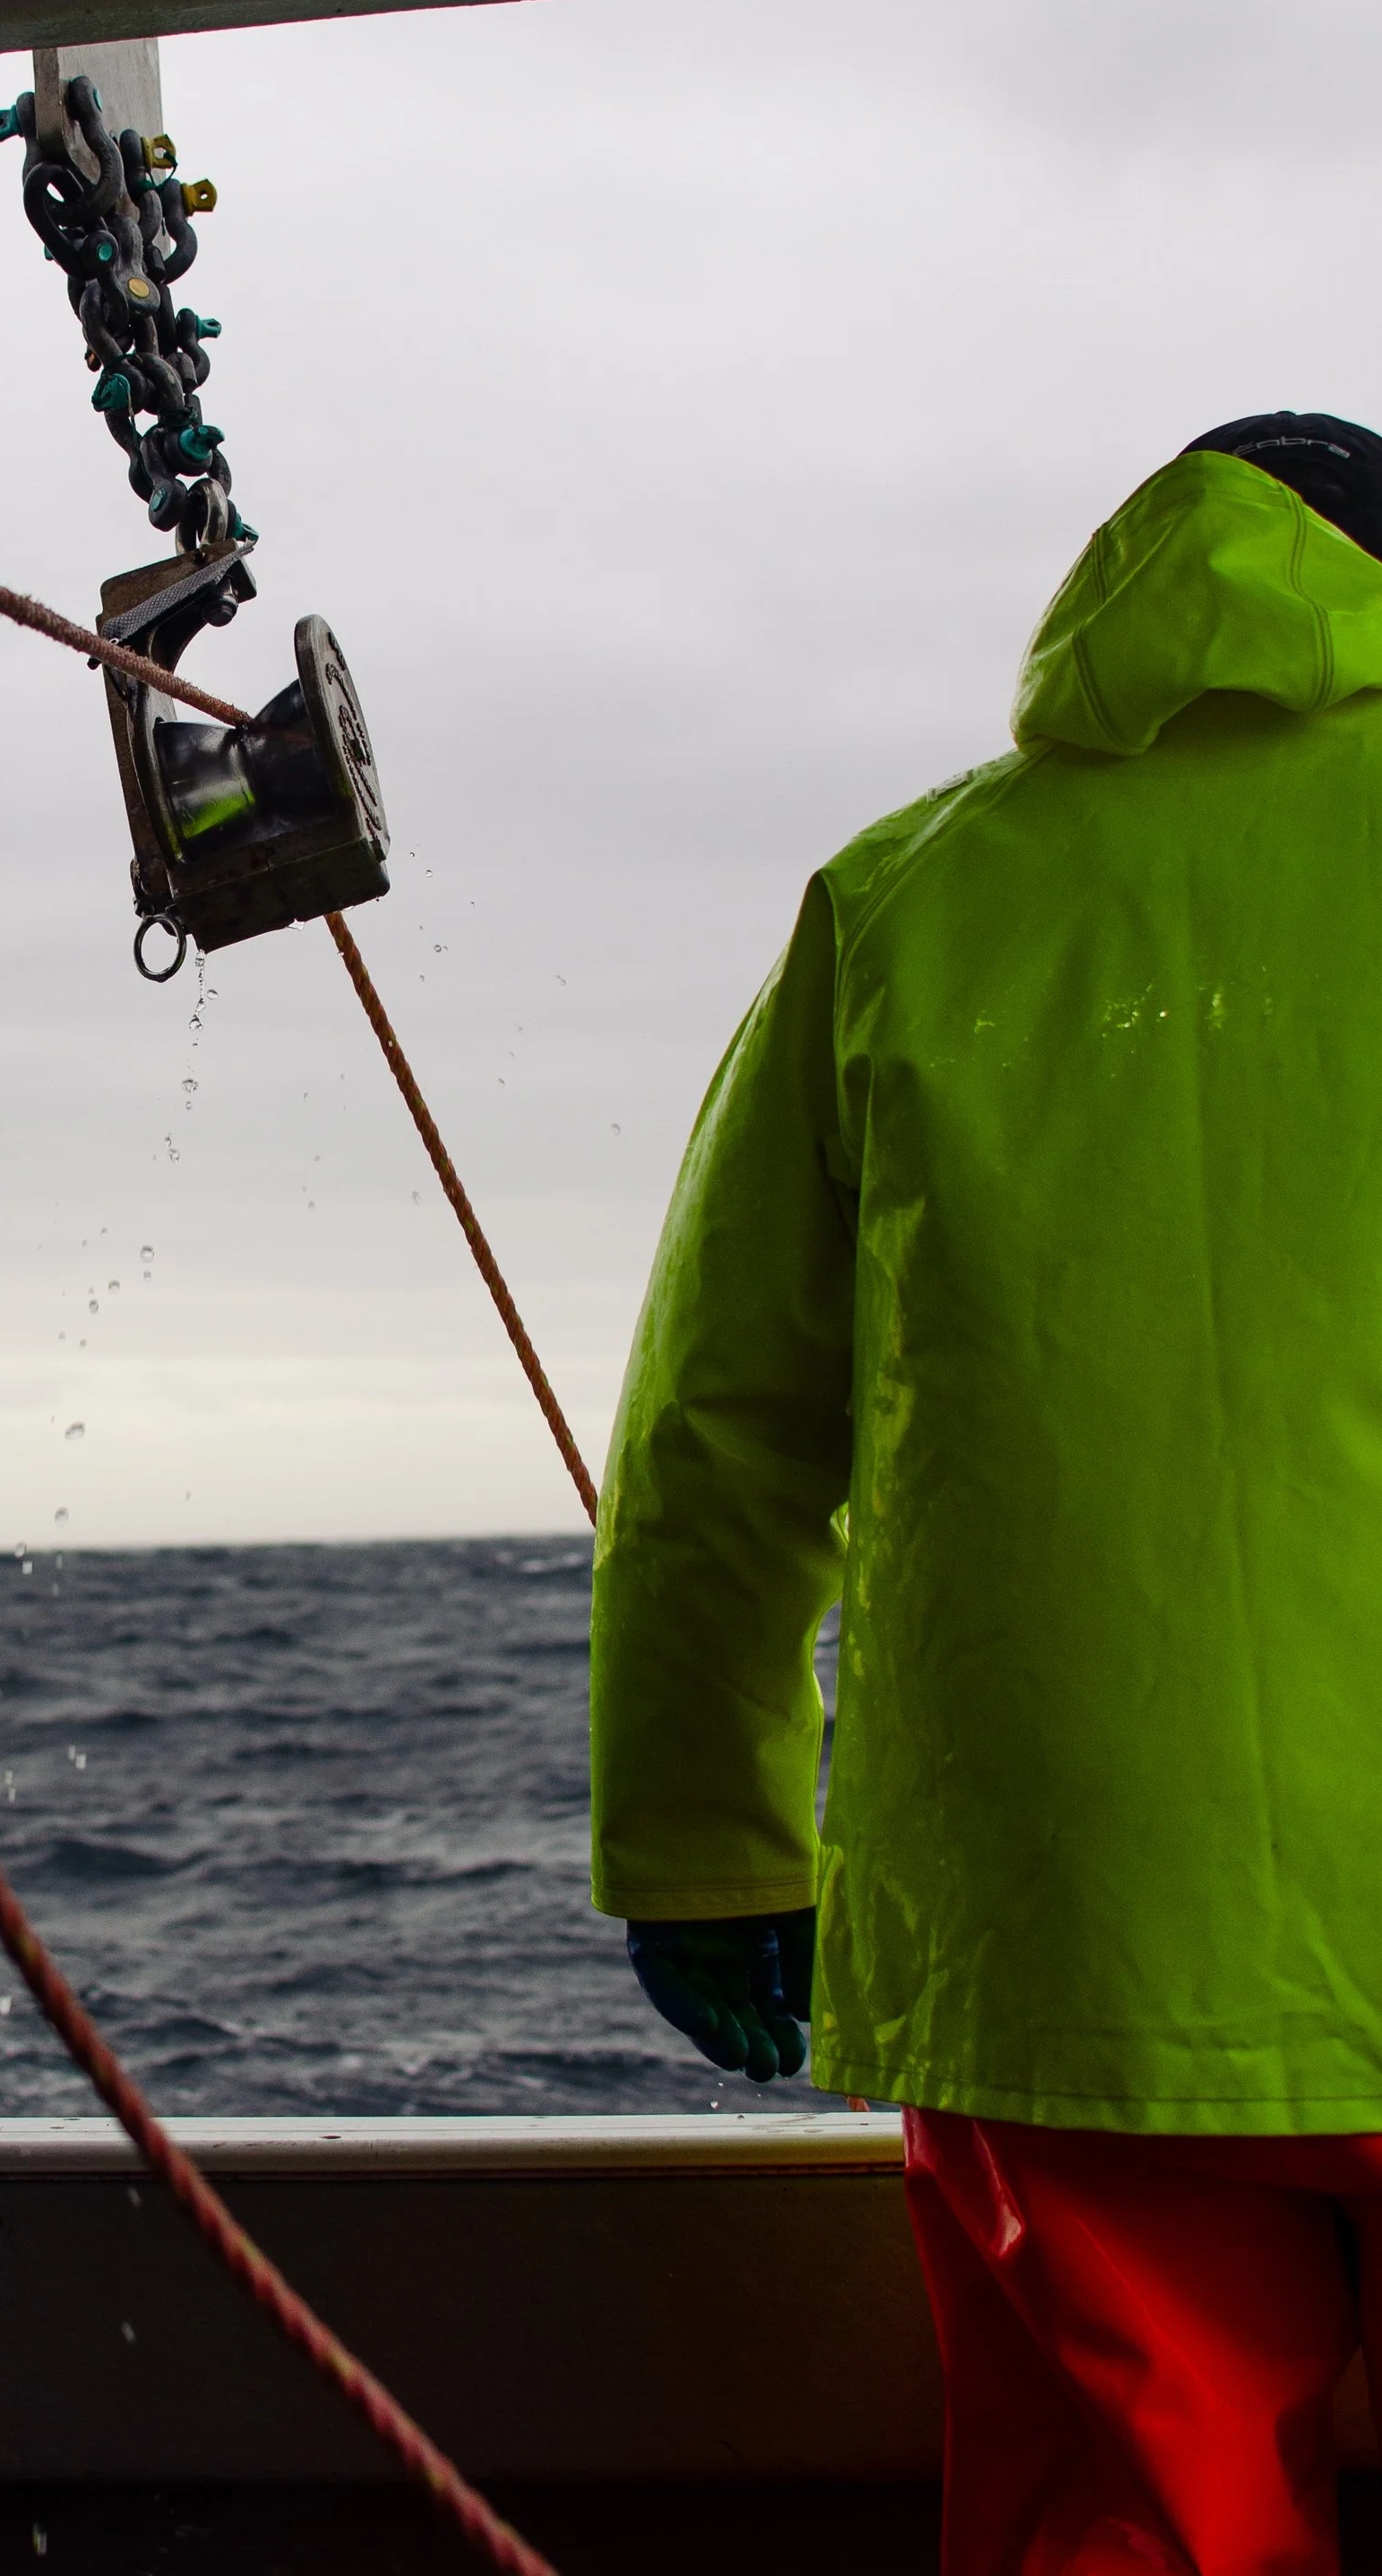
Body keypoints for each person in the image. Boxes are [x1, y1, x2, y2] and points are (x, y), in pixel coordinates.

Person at [589, 414, 1382, 2576]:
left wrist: (697, 1847)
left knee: (1133, 2528)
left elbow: (717, 1434)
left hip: (1064, 1926)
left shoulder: (899, 900)